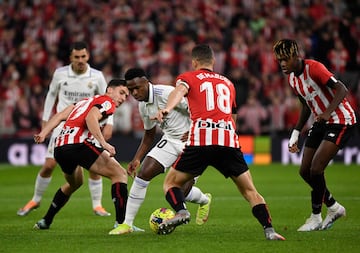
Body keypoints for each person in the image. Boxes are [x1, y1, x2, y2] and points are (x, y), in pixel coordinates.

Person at [153, 44, 285, 240]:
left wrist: (167, 109)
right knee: (250, 191)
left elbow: (178, 92)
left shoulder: (188, 77)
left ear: (194, 62)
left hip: (201, 142)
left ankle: (181, 211)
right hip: (228, 141)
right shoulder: (228, 83)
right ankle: (270, 230)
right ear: (213, 62)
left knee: (171, 184)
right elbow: (232, 117)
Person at [110, 67, 211, 235]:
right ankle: (126, 224)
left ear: (146, 82)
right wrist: (137, 159)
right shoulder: (143, 106)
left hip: (193, 143)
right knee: (143, 174)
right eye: (131, 90)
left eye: (137, 88)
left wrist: (194, 130)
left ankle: (205, 200)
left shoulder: (166, 93)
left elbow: (197, 109)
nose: (134, 93)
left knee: (179, 192)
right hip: (170, 140)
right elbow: (149, 135)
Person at [18, 41, 112, 217]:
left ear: (88, 56)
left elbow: (107, 99)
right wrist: (45, 120)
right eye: (76, 57)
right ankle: (35, 200)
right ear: (70, 58)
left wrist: (110, 122)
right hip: (64, 125)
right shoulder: (60, 74)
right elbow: (51, 95)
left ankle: (97, 205)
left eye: (83, 56)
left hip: (89, 126)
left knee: (94, 166)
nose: (80, 60)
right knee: (48, 165)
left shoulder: (97, 76)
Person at [273, 39, 357, 231]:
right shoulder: (292, 78)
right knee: (304, 171)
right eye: (279, 60)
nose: (283, 64)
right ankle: (334, 207)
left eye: (285, 59)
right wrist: (295, 132)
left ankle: (316, 216)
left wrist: (327, 113)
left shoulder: (315, 68)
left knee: (316, 168)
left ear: (296, 56)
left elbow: (342, 89)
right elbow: (305, 105)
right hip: (321, 122)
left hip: (339, 119)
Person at [33, 79, 130, 235]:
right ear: (110, 90)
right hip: (79, 145)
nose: (124, 98)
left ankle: (46, 220)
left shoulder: (83, 102)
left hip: (60, 148)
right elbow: (90, 118)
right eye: (122, 92)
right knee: (119, 174)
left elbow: (59, 116)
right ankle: (122, 224)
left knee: (75, 183)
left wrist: (44, 133)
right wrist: (103, 143)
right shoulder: (107, 102)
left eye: (126, 95)